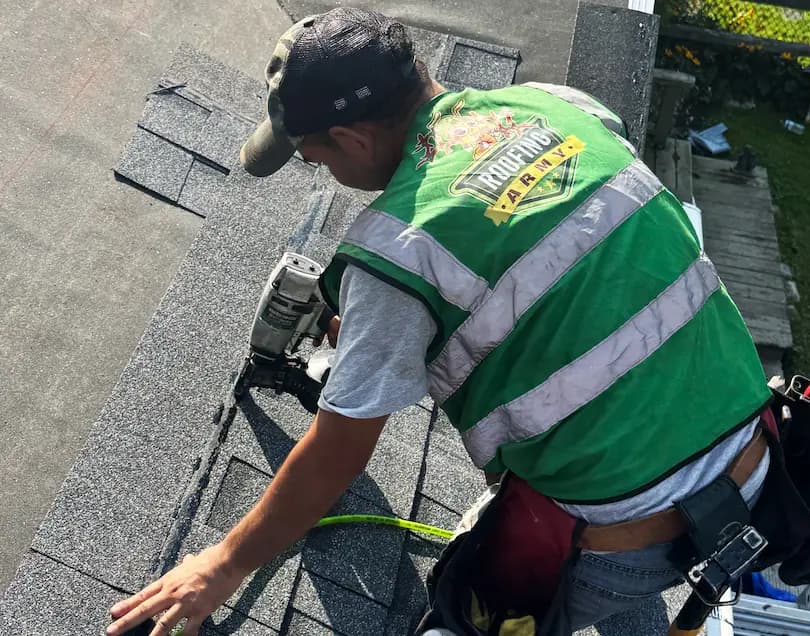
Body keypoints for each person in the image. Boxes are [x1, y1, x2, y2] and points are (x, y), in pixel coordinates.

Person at [107, 8, 772, 636]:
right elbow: (577, 252)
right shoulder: (559, 106)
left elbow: (337, 453)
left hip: (620, 526)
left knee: (470, 600)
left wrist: (218, 565)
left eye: (319, 160)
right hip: (757, 454)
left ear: (352, 138)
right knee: (619, 532)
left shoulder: (400, 249)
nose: (330, 175)